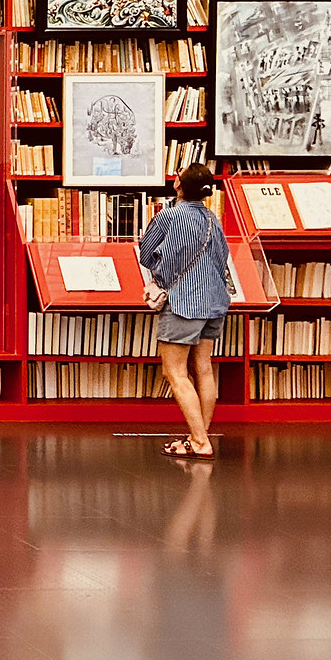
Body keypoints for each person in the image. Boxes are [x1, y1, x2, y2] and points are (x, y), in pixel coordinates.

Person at [137, 162, 232, 459]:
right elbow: (223, 256)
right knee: (203, 368)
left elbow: (146, 252)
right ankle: (198, 436)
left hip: (183, 302)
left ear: (178, 185)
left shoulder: (169, 216)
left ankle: (201, 442)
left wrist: (165, 274)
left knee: (175, 372)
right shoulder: (212, 218)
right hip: (214, 301)